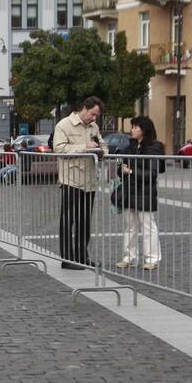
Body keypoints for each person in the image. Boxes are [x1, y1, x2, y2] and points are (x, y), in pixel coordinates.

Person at [53, 96, 107, 270]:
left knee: (84, 221)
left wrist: (101, 151)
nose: (94, 118)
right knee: (68, 221)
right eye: (93, 114)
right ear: (84, 108)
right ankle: (67, 259)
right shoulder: (64, 125)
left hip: (89, 181)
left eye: (96, 116)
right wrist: (86, 147)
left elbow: (103, 145)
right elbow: (59, 149)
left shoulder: (94, 127)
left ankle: (82, 256)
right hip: (71, 180)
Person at [114, 115, 164, 270]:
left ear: (144, 130)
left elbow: (153, 173)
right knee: (130, 226)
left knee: (148, 225)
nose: (132, 130)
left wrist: (131, 171)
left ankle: (152, 259)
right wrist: (121, 169)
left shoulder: (154, 147)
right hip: (130, 191)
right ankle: (129, 257)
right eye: (132, 127)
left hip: (145, 191)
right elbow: (121, 167)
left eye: (136, 127)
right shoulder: (130, 146)